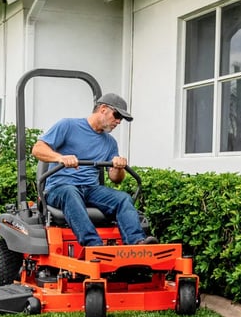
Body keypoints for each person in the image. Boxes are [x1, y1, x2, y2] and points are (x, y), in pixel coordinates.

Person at [31, 93, 158, 247]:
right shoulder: (68, 126)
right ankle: (94, 245)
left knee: (123, 198)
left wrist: (118, 167)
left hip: (91, 189)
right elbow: (37, 149)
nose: (118, 121)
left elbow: (116, 179)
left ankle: (137, 242)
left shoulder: (110, 143)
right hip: (60, 188)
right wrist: (60, 158)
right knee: (70, 192)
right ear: (103, 109)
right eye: (117, 115)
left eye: (121, 119)